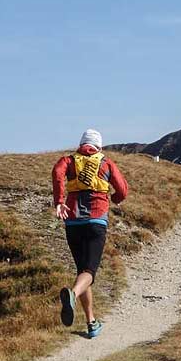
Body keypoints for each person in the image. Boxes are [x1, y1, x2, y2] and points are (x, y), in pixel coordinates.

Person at [51, 129, 129, 337]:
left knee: (83, 272)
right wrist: (116, 199)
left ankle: (91, 322)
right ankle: (73, 295)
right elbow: (122, 189)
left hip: (73, 221)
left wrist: (59, 201)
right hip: (96, 220)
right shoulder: (106, 162)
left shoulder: (68, 160)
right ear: (99, 146)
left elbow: (57, 173)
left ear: (81, 144)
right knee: (89, 272)